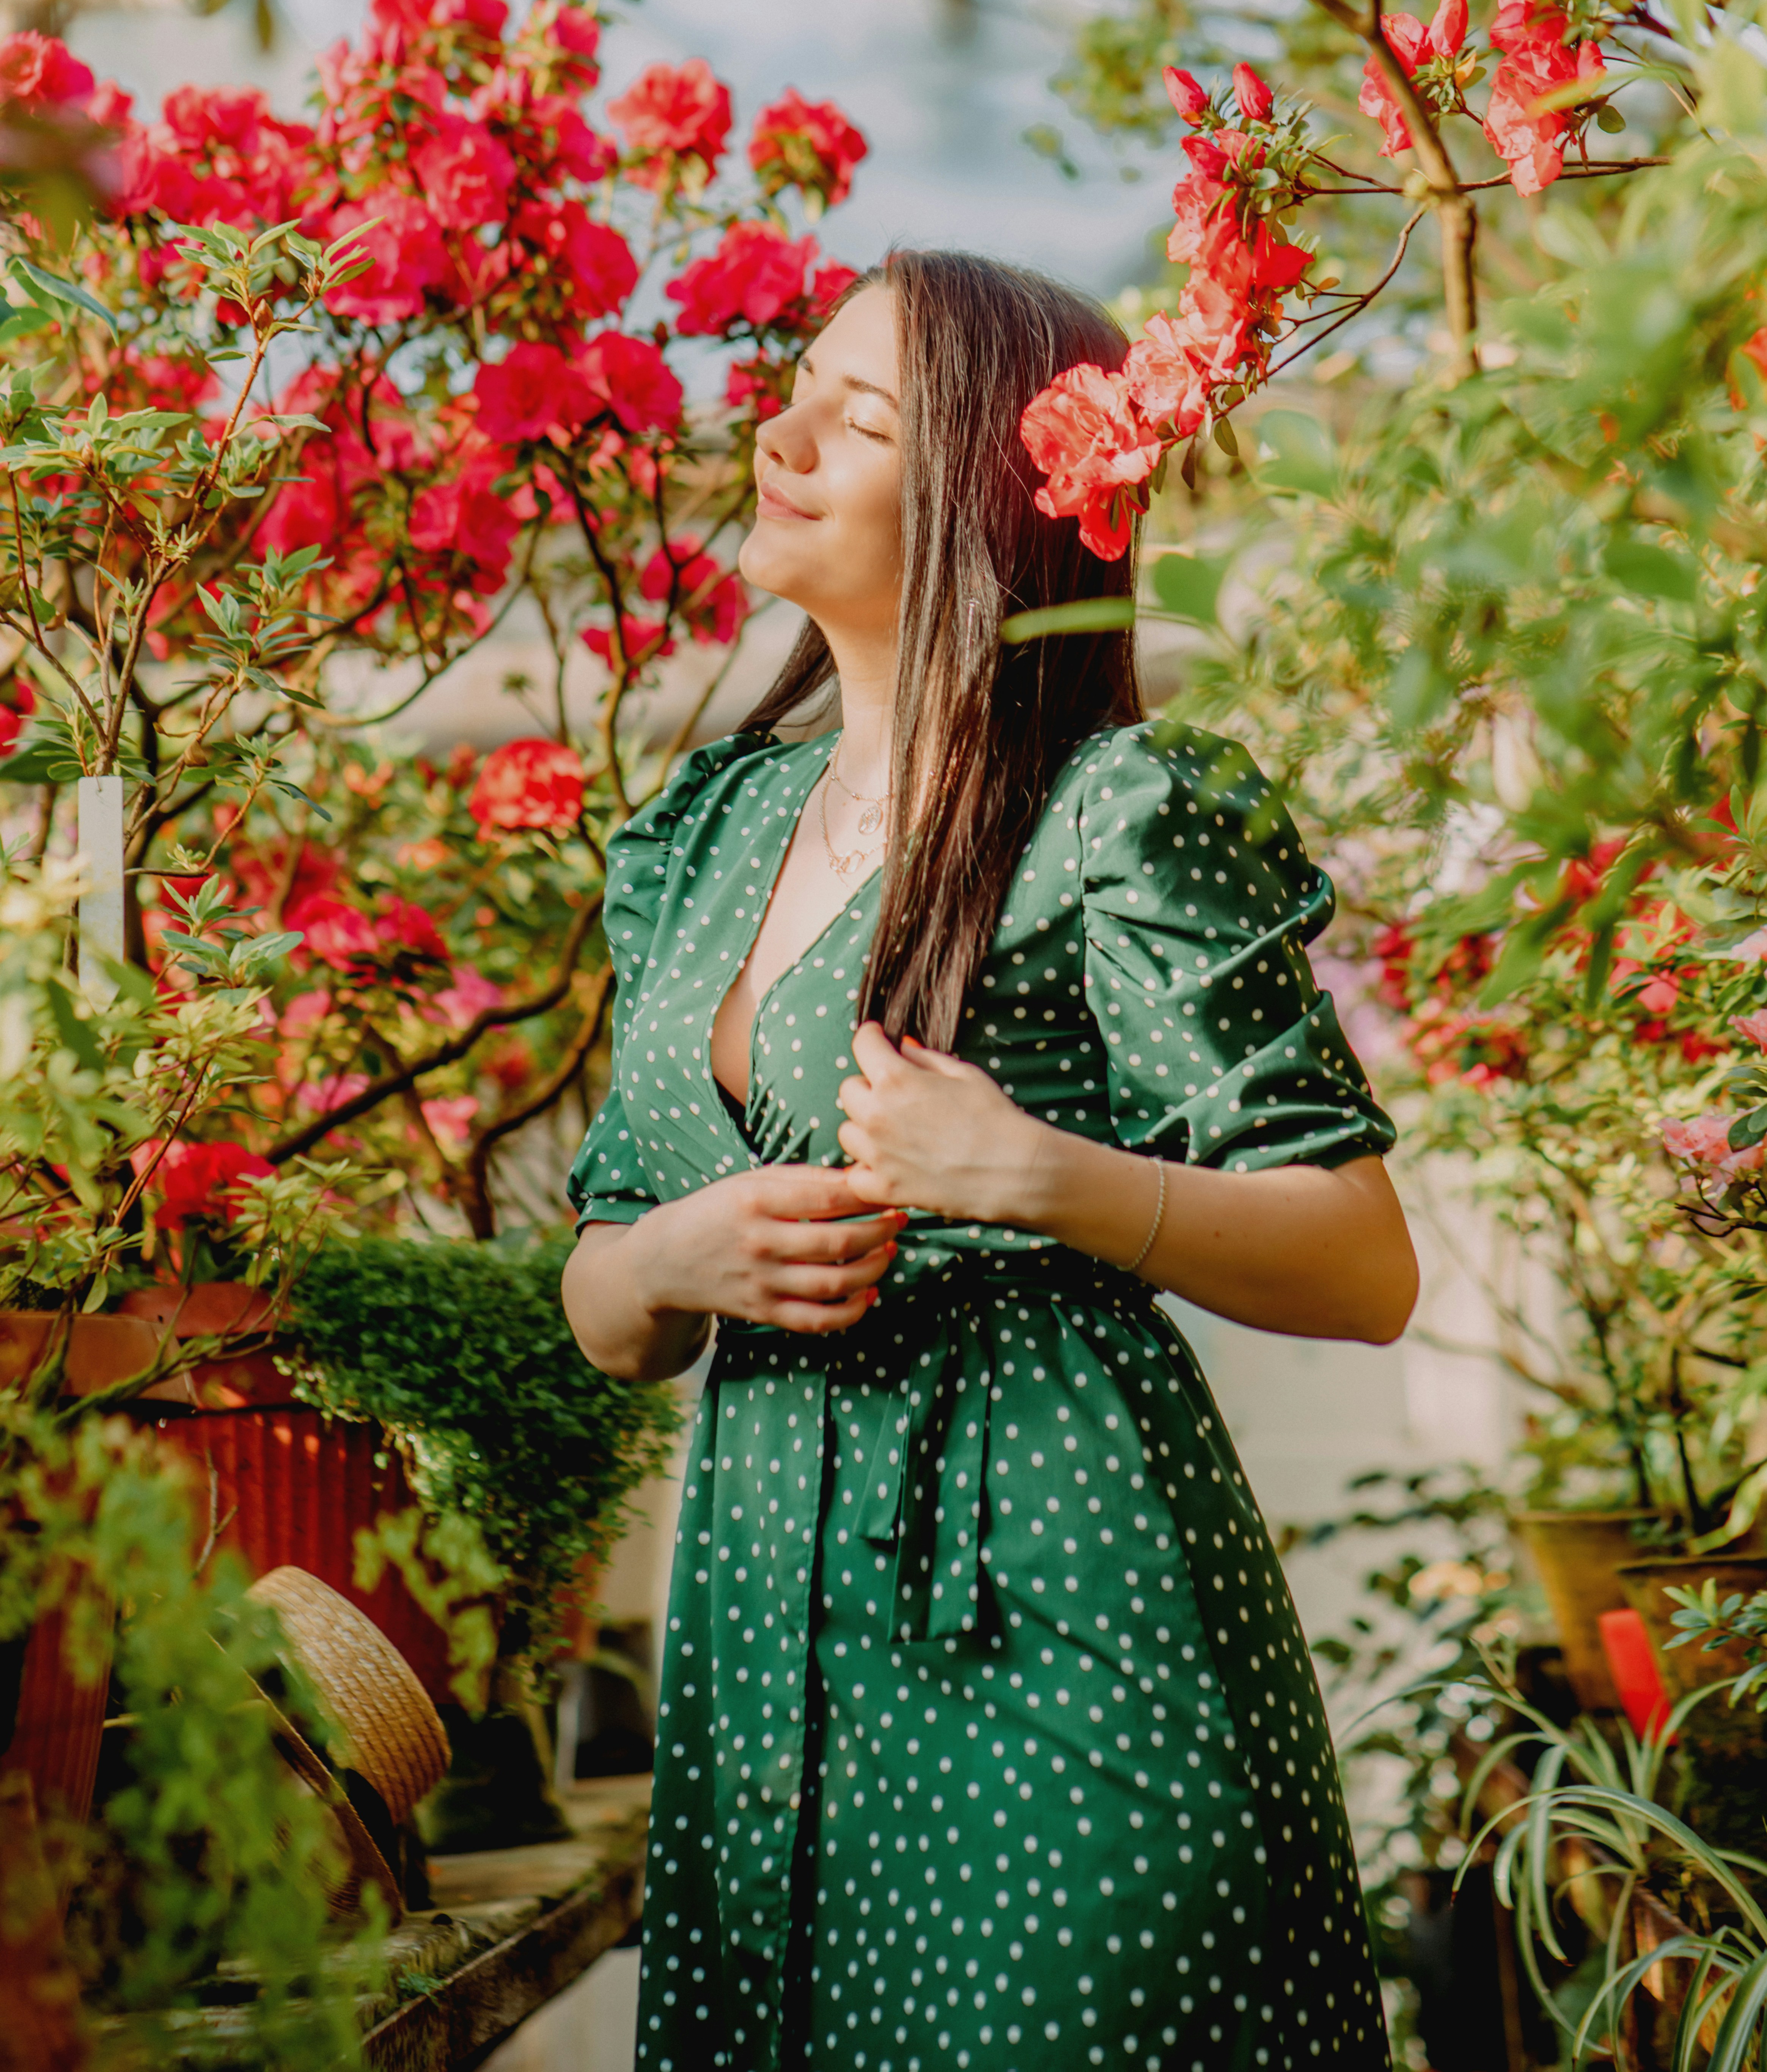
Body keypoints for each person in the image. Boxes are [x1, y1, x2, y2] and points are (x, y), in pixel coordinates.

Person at [562, 248, 1416, 2072]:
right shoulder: (707, 831)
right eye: (796, 386)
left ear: (975, 498)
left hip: (1059, 1612)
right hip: (769, 1646)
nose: (778, 436)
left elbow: (1362, 1260)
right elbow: (604, 1287)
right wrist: (667, 1263)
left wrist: (1041, 1175)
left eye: (857, 416)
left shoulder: (1116, 813)